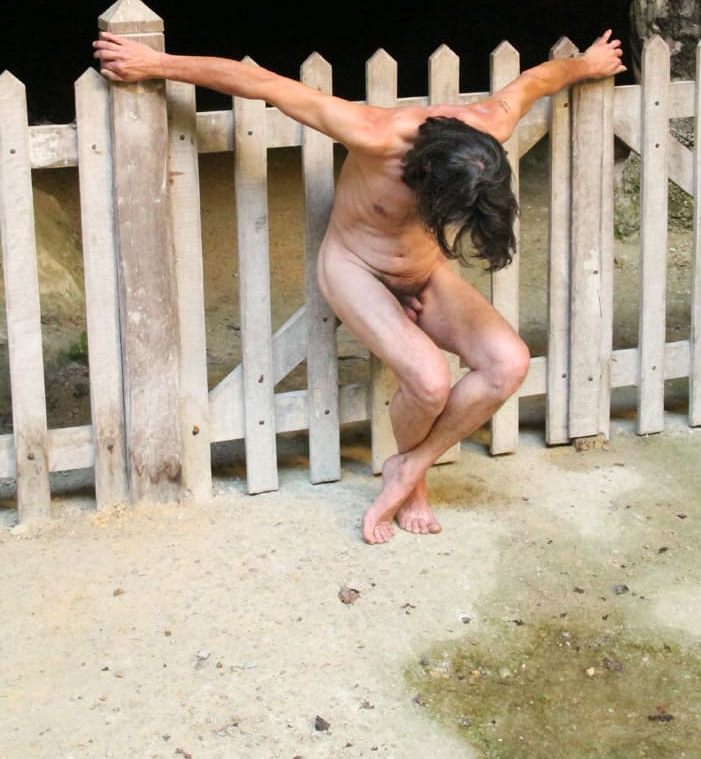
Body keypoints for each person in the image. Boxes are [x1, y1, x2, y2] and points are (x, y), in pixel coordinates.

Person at [93, 28, 625, 544]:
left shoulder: (488, 128)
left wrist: (588, 64)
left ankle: (409, 467)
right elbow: (263, 83)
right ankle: (414, 490)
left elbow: (538, 79)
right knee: (430, 381)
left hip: (425, 273)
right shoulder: (374, 134)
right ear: (423, 175)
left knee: (509, 363)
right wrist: (156, 64)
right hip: (355, 267)